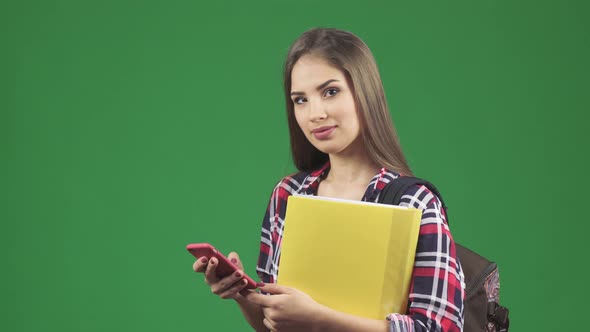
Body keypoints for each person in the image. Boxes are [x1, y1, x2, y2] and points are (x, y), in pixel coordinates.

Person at [192, 27, 465, 332]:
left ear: (365, 92)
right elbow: (275, 325)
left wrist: (320, 319)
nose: (314, 113)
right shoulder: (288, 195)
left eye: (330, 92)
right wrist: (243, 295)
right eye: (300, 100)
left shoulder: (414, 202)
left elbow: (439, 328)